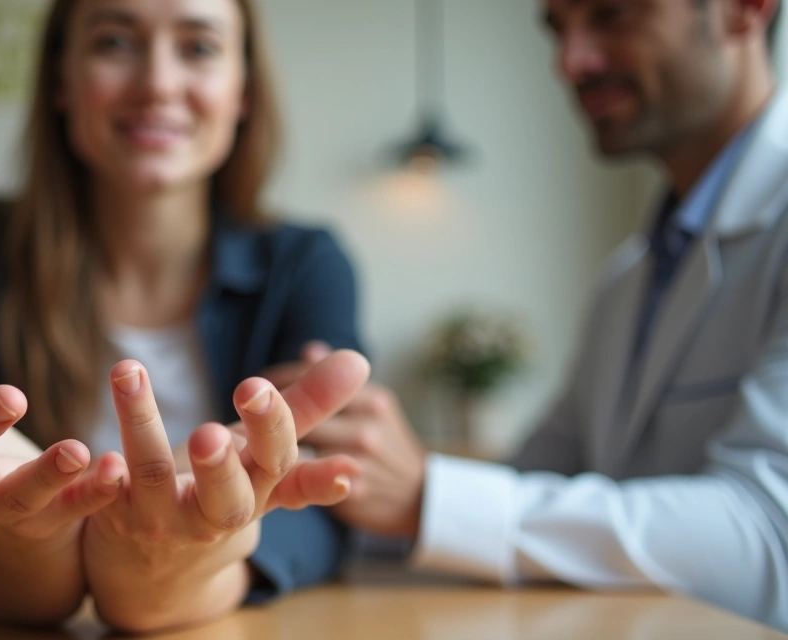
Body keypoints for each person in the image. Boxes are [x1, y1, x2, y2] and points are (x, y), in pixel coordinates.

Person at [0, 0, 369, 632]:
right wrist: (11, 567)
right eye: (115, 43)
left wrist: (189, 572)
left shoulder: (306, 264)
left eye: (198, 47)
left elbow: (328, 497)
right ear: (60, 80)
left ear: (243, 90)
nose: (158, 84)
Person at [290, 0, 788, 630]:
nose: (569, 62)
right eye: (557, 28)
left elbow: (772, 534)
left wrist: (427, 496)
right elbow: (538, 478)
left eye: (613, 14)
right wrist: (340, 485)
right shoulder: (628, 278)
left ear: (746, 10)